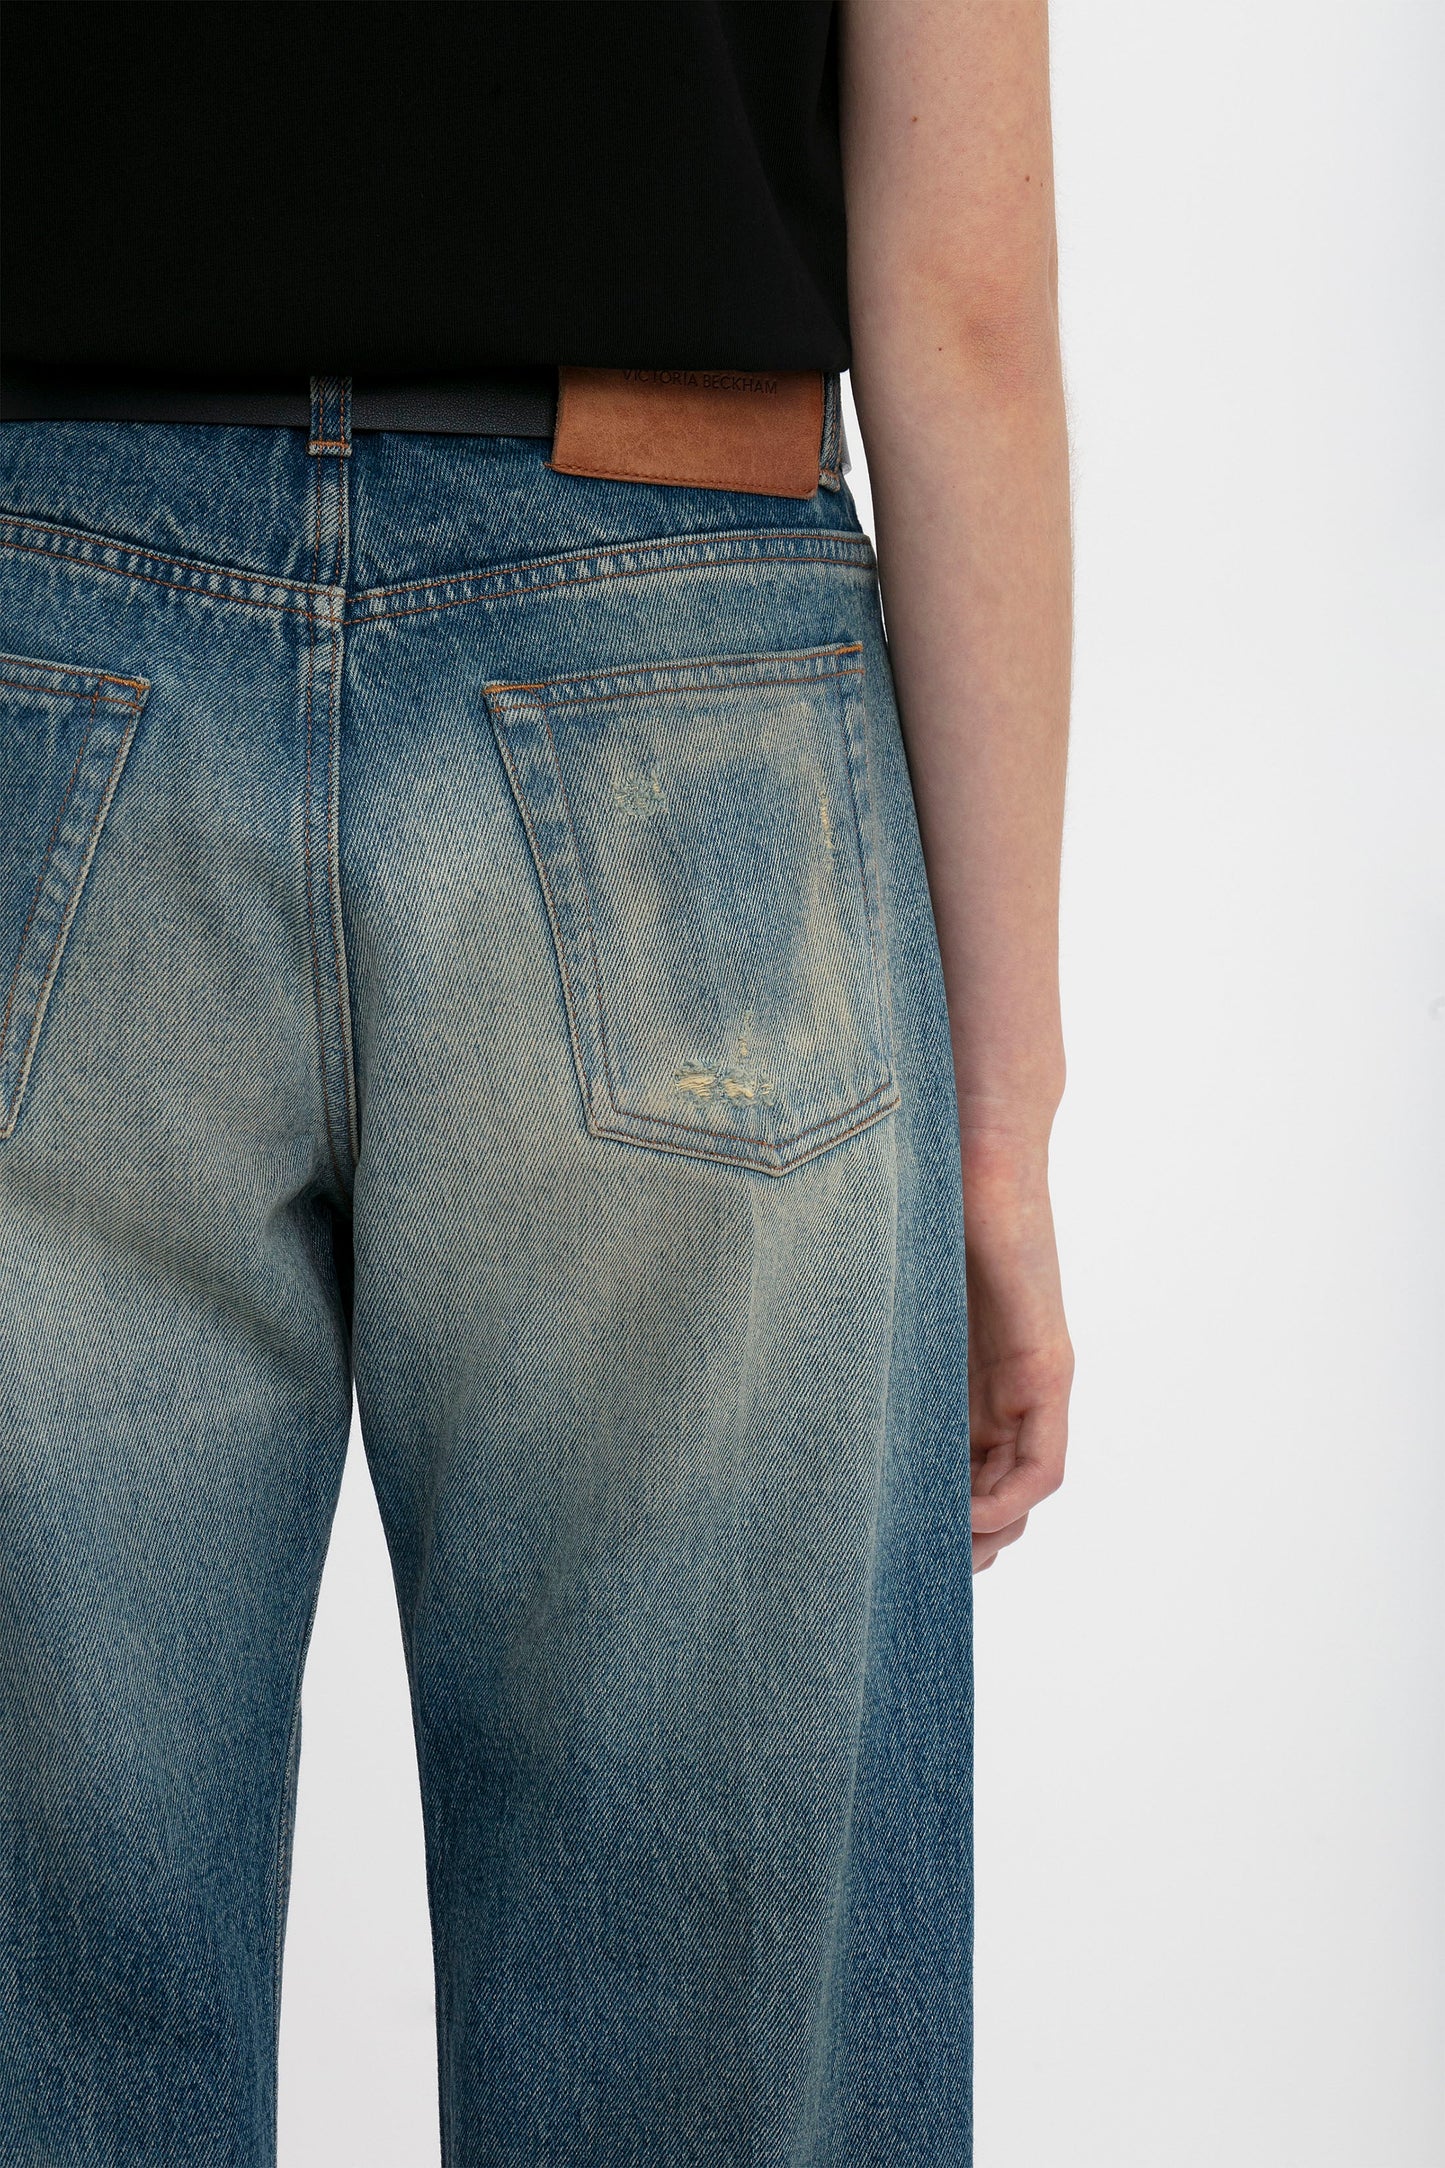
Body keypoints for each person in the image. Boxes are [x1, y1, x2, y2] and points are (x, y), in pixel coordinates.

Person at [0, 2, 1072, 2161]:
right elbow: (956, 304)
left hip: (40, 615)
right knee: (718, 2052)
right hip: (675, 657)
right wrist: (999, 1111)